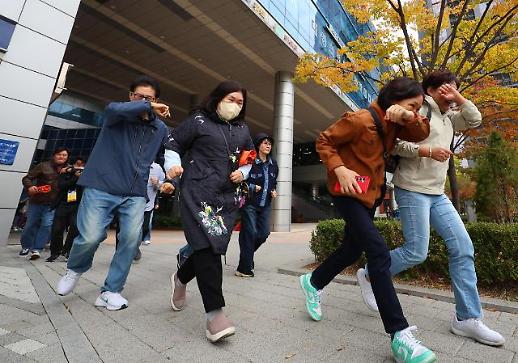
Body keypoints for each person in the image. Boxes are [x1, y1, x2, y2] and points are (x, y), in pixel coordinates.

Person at [357, 70, 505, 346]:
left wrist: (458, 98)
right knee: (416, 251)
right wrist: (426, 151)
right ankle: (370, 273)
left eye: (454, 91)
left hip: (437, 193)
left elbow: (475, 119)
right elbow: (394, 144)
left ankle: (467, 318)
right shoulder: (416, 109)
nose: (451, 97)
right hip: (412, 188)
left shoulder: (449, 116)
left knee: (463, 247)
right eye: (446, 90)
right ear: (431, 90)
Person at [299, 78, 437, 363]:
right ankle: (399, 335)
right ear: (394, 98)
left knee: (352, 249)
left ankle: (313, 282)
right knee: (376, 249)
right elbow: (324, 140)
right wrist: (340, 170)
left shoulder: (395, 124)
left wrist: (409, 115)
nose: (415, 111)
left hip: (370, 195)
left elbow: (422, 132)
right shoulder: (360, 120)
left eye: (417, 107)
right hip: (348, 192)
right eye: (412, 104)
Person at [55, 75, 171, 311]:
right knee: (90, 236)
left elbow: (165, 155)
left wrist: (169, 178)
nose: (144, 102)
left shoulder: (160, 128)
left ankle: (111, 291)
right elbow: (112, 108)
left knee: (130, 240)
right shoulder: (116, 116)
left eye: (150, 98)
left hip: (135, 192)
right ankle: (75, 269)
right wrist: (147, 105)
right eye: (139, 97)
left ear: (157, 100)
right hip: (102, 186)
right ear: (131, 97)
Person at [165, 80, 254, 343]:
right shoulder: (198, 121)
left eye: (240, 102)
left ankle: (180, 277)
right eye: (230, 99)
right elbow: (173, 143)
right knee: (207, 248)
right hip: (198, 192)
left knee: (211, 246)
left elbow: (248, 156)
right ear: (217, 98)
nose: (235, 105)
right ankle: (215, 314)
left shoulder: (243, 129)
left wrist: (244, 171)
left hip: (226, 197)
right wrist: (172, 165)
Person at [235, 133, 278, 277]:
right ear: (258, 145)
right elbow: (241, 182)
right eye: (265, 143)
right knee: (251, 232)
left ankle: (246, 257)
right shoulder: (250, 162)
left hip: (265, 204)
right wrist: (253, 187)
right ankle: (244, 269)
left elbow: (273, 182)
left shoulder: (274, 165)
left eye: (270, 144)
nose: (268, 146)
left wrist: (273, 191)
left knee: (264, 234)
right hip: (250, 204)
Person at [20, 147, 69, 260]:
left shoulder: (68, 169)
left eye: (64, 155)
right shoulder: (43, 166)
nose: (61, 157)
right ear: (54, 155)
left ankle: (37, 249)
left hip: (53, 204)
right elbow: (27, 178)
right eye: (59, 154)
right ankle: (26, 246)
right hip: (37, 201)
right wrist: (30, 186)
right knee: (30, 225)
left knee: (46, 226)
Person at [47, 157, 86, 262]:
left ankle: (67, 251)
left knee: (74, 228)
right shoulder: (66, 172)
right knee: (57, 229)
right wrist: (75, 177)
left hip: (78, 205)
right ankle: (55, 252)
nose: (79, 167)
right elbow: (62, 185)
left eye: (82, 165)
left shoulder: (87, 174)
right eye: (77, 164)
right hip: (63, 203)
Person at [133, 161, 174, 261]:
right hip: (133, 203)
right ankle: (132, 249)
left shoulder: (158, 168)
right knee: (132, 229)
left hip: (148, 205)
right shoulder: (135, 163)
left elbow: (165, 186)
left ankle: (135, 246)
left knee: (145, 227)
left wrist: (158, 183)